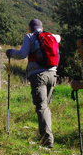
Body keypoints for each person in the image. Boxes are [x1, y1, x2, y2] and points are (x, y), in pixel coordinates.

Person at [5, 19, 58, 148]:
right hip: (53, 73)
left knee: (41, 107)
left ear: (30, 28)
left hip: (38, 75)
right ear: (42, 27)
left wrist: (11, 53)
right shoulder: (51, 36)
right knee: (46, 106)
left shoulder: (29, 36)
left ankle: (47, 140)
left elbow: (23, 54)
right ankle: (46, 133)